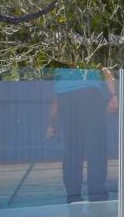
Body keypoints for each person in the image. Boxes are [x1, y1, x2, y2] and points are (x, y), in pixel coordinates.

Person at [46, 65, 118, 203]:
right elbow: (104, 68)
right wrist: (113, 95)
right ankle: (97, 196)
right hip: (89, 95)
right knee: (96, 149)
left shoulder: (60, 56)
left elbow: (56, 95)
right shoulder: (90, 47)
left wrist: (51, 123)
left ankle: (73, 196)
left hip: (65, 99)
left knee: (72, 149)